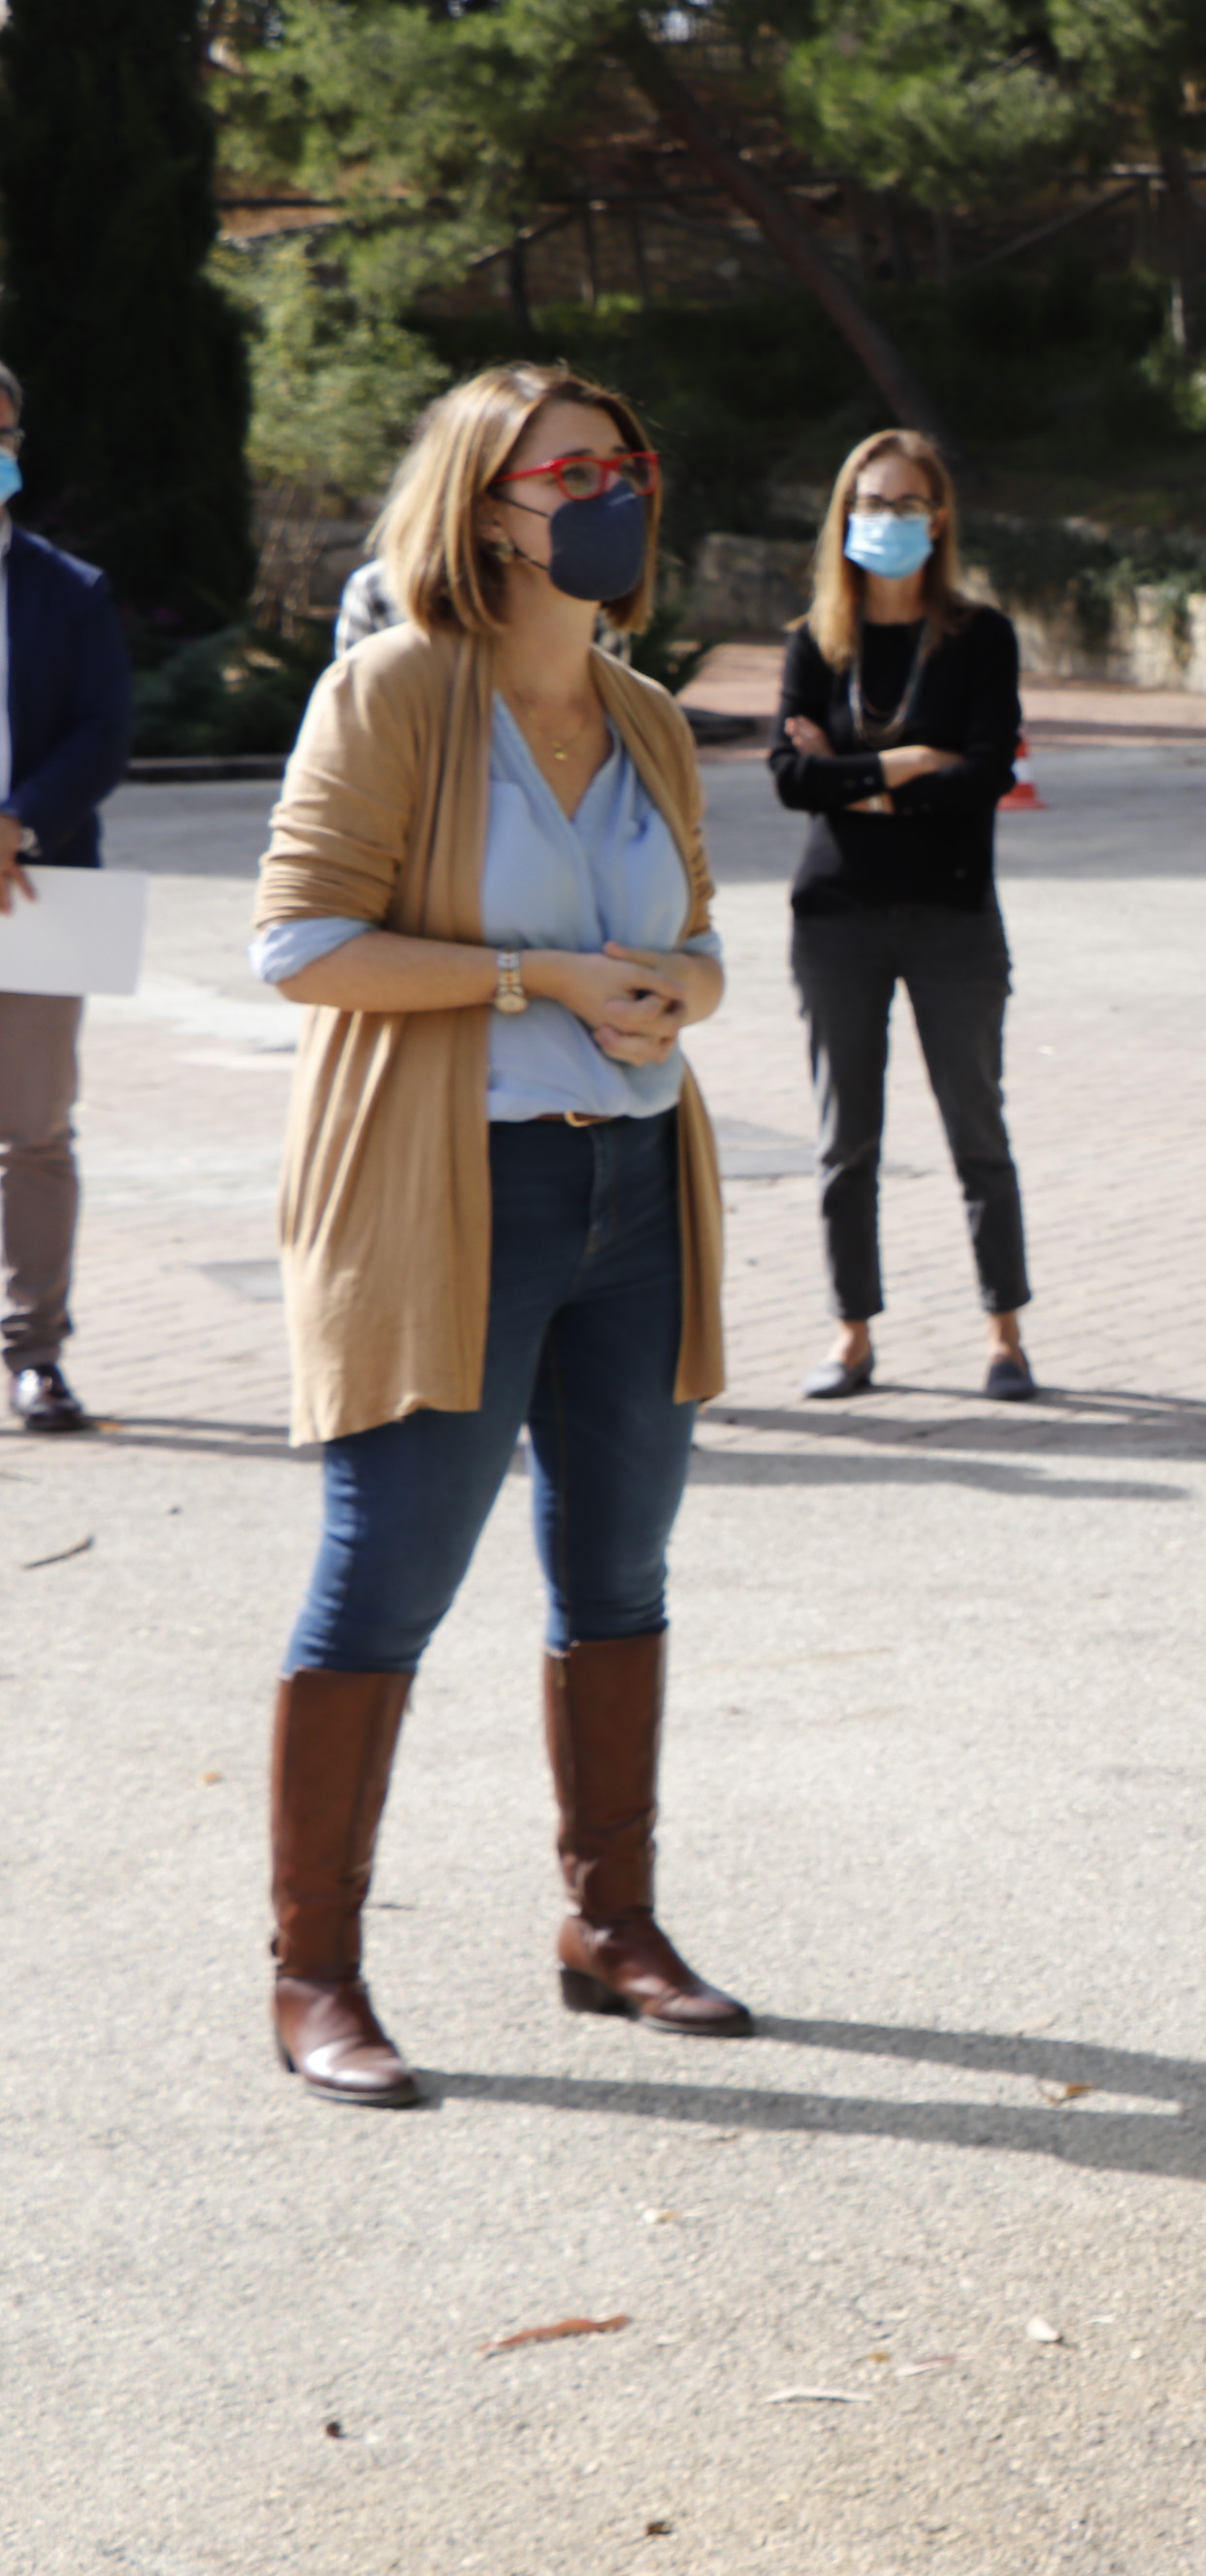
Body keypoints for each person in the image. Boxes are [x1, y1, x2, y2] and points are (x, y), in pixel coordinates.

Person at [249, 363, 755, 2110]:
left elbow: (694, 940)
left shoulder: (648, 715)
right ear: (485, 508)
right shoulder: (393, 691)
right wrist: (530, 978)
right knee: (383, 1582)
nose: (609, 490)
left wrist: (676, 991)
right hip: (452, 1190)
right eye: (570, 470)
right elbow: (300, 946)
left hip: (632, 1200)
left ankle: (609, 1925)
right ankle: (314, 1972)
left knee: (620, 1574)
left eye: (627, 459)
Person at [766, 430, 1030, 1403]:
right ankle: (851, 1335)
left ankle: (1005, 1332)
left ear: (939, 516)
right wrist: (905, 764)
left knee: (977, 1130)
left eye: (906, 504)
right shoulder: (814, 642)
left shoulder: (979, 636)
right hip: (836, 919)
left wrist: (858, 781)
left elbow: (990, 772)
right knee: (847, 1143)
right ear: (844, 516)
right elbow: (792, 780)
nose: (888, 522)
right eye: (871, 505)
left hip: (953, 916)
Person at [0, 361, 138, 1433]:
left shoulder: (70, 588)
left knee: (34, 1132)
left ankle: (34, 1354)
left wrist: (18, 821)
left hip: (39, 888)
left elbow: (104, 731)